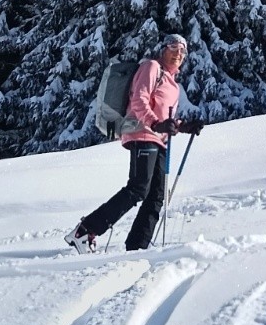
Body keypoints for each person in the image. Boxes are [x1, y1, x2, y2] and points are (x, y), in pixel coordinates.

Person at [66, 34, 205, 252]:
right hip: (142, 133)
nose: (179, 53)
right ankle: (84, 230)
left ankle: (137, 247)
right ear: (163, 49)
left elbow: (164, 116)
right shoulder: (151, 68)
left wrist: (182, 126)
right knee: (139, 187)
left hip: (159, 139)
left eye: (183, 51)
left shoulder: (173, 85)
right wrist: (156, 124)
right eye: (174, 48)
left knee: (156, 197)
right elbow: (138, 100)